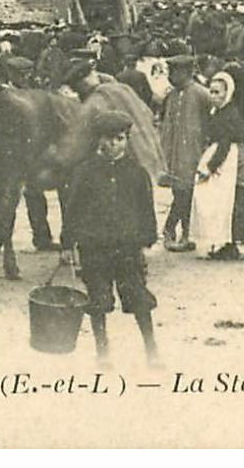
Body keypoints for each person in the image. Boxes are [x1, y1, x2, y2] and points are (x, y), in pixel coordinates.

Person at [61, 109, 160, 364]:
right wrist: (67, 242)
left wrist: (147, 236)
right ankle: (102, 351)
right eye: (108, 139)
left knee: (139, 297)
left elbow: (145, 207)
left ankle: (151, 351)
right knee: (98, 299)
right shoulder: (85, 172)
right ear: (98, 140)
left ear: (127, 140)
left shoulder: (137, 173)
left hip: (128, 248)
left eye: (120, 139)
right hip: (94, 248)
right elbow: (72, 209)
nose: (114, 145)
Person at [195, 69, 244, 259]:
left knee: (238, 199)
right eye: (211, 91)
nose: (213, 96)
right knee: (227, 200)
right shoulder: (219, 111)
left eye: (218, 92)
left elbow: (225, 143)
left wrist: (210, 167)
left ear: (228, 93)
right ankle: (230, 241)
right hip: (227, 156)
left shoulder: (229, 113)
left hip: (233, 159)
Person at [159, 55, 210, 251]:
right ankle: (182, 233)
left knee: (186, 192)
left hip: (193, 152)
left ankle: (173, 229)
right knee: (180, 192)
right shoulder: (172, 96)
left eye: (175, 72)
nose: (171, 76)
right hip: (174, 152)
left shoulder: (200, 93)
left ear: (187, 72)